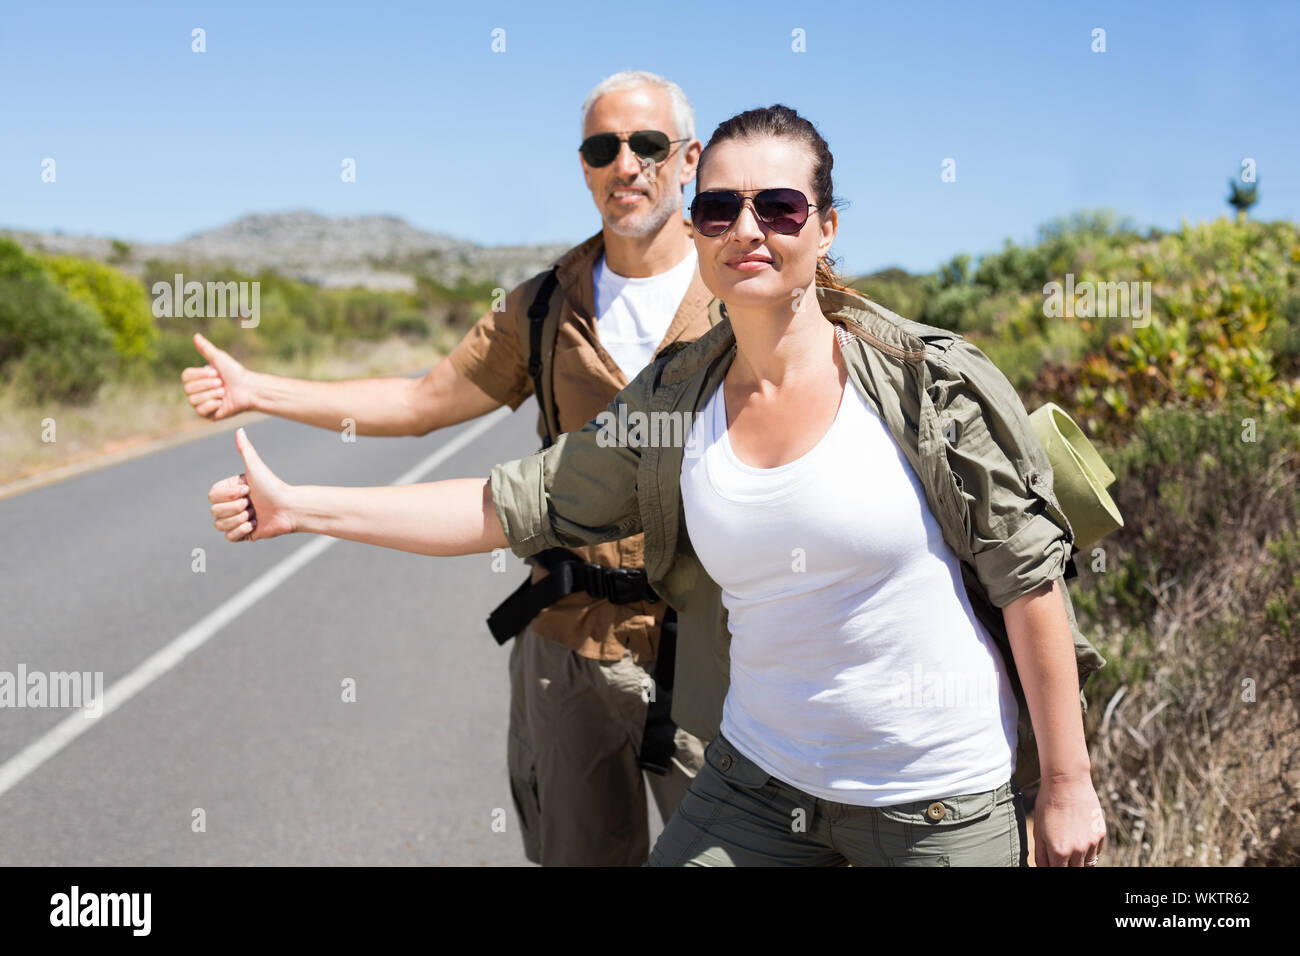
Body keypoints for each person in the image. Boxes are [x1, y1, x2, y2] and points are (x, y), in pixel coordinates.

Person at [206, 104, 1108, 867]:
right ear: (699, 223)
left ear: (825, 227)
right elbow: (509, 503)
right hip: (755, 784)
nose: (747, 230)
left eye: (780, 207)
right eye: (720, 209)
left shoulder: (924, 381)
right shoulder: (676, 400)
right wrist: (302, 508)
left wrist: (1067, 784)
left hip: (934, 804)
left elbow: (1027, 581)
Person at [183, 70, 714, 867]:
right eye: (603, 148)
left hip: (709, 649)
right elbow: (419, 401)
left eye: (646, 145)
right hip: (568, 648)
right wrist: (260, 391)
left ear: (688, 158)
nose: (625, 166)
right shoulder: (541, 305)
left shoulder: (742, 291)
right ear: (584, 165)